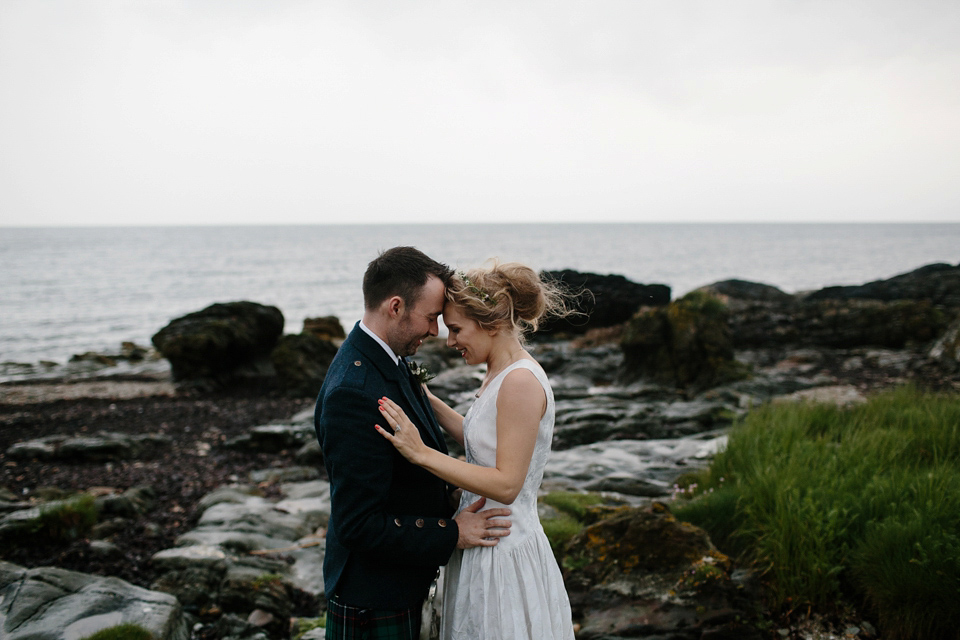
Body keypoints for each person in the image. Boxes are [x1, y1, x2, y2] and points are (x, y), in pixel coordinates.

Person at [314, 246, 513, 640]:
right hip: (374, 598)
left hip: (400, 585)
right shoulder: (353, 392)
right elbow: (358, 525)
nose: (436, 331)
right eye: (431, 317)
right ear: (395, 306)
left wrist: (448, 498)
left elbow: (400, 477)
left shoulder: (388, 361)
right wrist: (453, 533)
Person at [375, 261, 576, 640]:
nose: (449, 342)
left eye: (456, 329)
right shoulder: (501, 372)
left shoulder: (519, 381)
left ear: (493, 324)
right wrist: (426, 399)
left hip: (504, 551)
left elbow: (506, 484)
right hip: (483, 541)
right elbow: (480, 438)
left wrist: (422, 454)